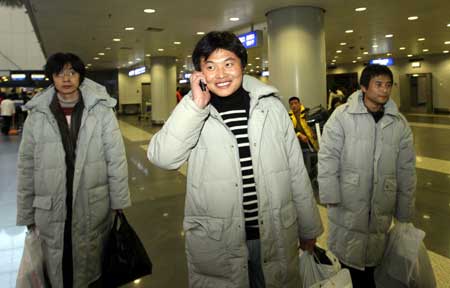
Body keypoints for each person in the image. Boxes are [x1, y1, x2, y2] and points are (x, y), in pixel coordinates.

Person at [148, 31, 323, 288]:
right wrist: (195, 106)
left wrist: (309, 227)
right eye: (210, 67)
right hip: (220, 240)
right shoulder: (194, 111)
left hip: (273, 232)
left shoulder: (271, 107)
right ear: (200, 73)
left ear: (242, 65)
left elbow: (296, 170)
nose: (220, 75)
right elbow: (163, 158)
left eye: (228, 64)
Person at [16, 52, 131, 287]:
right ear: (51, 78)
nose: (66, 79)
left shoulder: (100, 110)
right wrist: (27, 213)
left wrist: (118, 201)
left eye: (72, 73)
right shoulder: (37, 115)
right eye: (59, 74)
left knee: (90, 263)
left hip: (92, 202)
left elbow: (115, 157)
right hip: (51, 205)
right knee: (58, 264)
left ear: (80, 76)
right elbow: (26, 165)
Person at [318, 64, 416, 288]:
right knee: (346, 267)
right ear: (364, 87)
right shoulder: (342, 116)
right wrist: (330, 195)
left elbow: (407, 168)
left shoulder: (398, 123)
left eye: (388, 85)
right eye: (378, 84)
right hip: (348, 200)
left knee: (375, 264)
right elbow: (328, 157)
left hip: (383, 202)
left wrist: (404, 211)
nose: (384, 90)